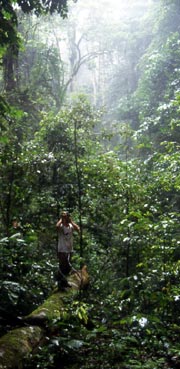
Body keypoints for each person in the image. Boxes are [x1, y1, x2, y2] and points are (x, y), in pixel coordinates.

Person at [56, 211, 80, 288]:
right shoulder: (61, 226)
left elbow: (78, 229)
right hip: (62, 249)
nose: (65, 218)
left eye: (66, 216)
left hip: (69, 249)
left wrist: (71, 221)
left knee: (67, 266)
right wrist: (61, 219)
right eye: (63, 216)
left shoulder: (70, 225)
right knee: (63, 265)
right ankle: (61, 283)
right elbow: (56, 227)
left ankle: (65, 282)